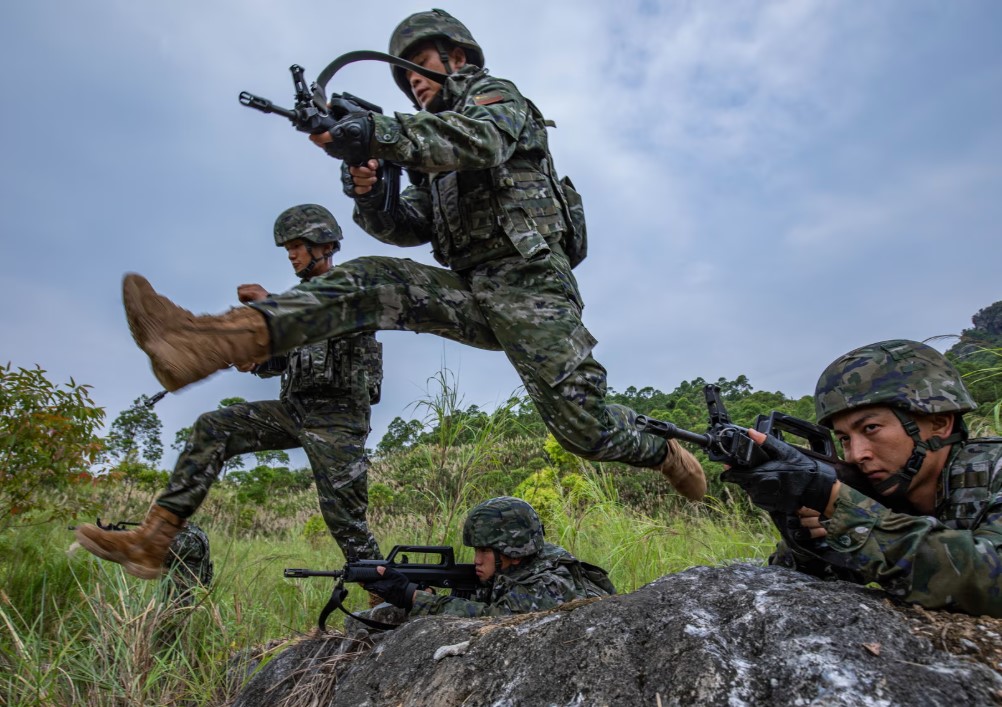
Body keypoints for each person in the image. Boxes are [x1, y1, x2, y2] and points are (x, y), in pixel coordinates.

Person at [115, 9, 706, 524]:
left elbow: (479, 142)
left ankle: (664, 449)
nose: (414, 82)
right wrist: (368, 187)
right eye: (406, 76)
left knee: (587, 432)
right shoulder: (428, 152)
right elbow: (404, 228)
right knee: (372, 279)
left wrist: (378, 131)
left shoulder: (497, 98)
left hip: (530, 286)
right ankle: (203, 341)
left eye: (422, 66)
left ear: (458, 57)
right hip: (471, 290)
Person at [76, 205, 385, 577]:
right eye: (288, 247)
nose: (291, 254)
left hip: (339, 421)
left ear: (325, 245)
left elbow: (335, 324)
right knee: (214, 427)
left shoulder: (350, 289)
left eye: (298, 245)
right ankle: (152, 540)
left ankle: (390, 597)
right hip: (296, 410)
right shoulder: (298, 299)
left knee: (347, 526)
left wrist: (270, 306)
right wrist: (256, 361)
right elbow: (288, 359)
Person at [724, 339, 1002, 617]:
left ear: (939, 422)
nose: (856, 455)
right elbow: (802, 586)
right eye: (844, 438)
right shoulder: (877, 491)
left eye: (871, 428)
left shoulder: (995, 471)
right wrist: (806, 540)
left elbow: (989, 581)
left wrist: (840, 504)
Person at [363, 496, 615, 618]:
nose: (476, 560)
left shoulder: (548, 584)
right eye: (476, 550)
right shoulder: (512, 566)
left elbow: (495, 621)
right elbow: (484, 599)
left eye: (484, 551)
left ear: (513, 553)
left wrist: (418, 600)